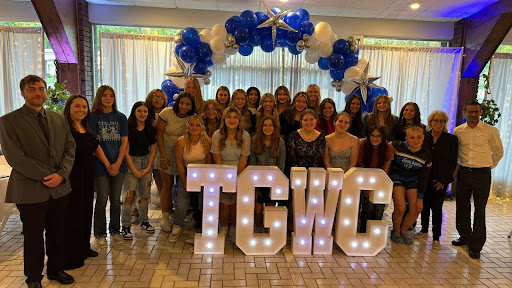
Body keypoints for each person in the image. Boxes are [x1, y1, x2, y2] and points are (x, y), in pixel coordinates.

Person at [0, 75, 76, 286]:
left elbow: (70, 148)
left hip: (59, 187)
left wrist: (61, 174)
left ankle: (55, 270)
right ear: (22, 92)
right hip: (30, 188)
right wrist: (46, 176)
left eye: (41, 88)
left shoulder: (58, 118)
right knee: (33, 237)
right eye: (32, 89)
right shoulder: (8, 121)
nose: (37, 93)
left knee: (57, 233)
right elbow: (15, 157)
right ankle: (33, 278)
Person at [62, 95, 109, 270]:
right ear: (69, 108)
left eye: (84, 107)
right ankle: (70, 256)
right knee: (72, 215)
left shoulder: (86, 126)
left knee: (85, 211)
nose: (81, 110)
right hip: (71, 177)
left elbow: (95, 147)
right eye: (77, 106)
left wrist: (107, 164)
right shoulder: (64, 128)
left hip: (87, 176)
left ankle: (83, 248)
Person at [452, 101, 503, 259]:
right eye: (470, 112)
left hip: (482, 174)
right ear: (464, 112)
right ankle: (465, 236)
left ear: (481, 113)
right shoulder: (458, 131)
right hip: (464, 172)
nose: (473, 114)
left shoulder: (490, 130)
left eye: (476, 112)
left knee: (480, 209)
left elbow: (498, 151)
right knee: (462, 206)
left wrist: (489, 165)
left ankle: (476, 245)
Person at [90, 85, 129, 247]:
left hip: (118, 164)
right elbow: (94, 144)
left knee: (115, 200)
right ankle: (99, 233)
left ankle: (115, 230)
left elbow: (124, 141)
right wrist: (107, 164)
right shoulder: (93, 117)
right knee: (101, 200)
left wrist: (118, 163)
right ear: (99, 98)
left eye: (111, 95)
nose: (108, 98)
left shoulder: (120, 117)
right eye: (105, 95)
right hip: (100, 165)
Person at [416, 110, 458, 249]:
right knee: (424, 206)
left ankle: (436, 238)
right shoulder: (424, 137)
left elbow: (452, 162)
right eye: (435, 120)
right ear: (430, 122)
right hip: (423, 178)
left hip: (440, 180)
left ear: (445, 123)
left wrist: (444, 181)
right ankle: (423, 230)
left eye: (441, 121)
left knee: (437, 209)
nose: (438, 123)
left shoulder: (451, 139)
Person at [156, 92, 196, 232]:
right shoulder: (167, 112)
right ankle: (165, 217)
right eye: (182, 103)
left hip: (182, 154)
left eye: (188, 104)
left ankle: (179, 216)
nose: (184, 106)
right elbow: (159, 134)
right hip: (165, 152)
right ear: (178, 102)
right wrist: (163, 156)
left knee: (182, 187)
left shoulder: (192, 118)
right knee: (167, 186)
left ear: (191, 106)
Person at [170, 115, 212, 242]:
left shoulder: (207, 141)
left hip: (203, 172)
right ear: (187, 127)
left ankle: (202, 225)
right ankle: (177, 225)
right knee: (182, 202)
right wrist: (185, 181)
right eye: (192, 125)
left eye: (197, 125)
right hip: (186, 171)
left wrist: (206, 180)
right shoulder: (181, 141)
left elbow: (209, 162)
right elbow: (179, 163)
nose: (194, 127)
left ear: (202, 127)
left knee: (203, 201)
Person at [211, 106, 251, 238]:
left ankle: (234, 228)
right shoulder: (217, 135)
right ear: (224, 119)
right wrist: (225, 179)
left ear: (239, 120)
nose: (232, 120)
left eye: (235, 117)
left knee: (235, 204)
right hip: (222, 171)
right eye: (229, 117)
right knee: (224, 204)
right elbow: (217, 159)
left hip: (240, 172)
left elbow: (244, 160)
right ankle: (223, 228)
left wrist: (234, 179)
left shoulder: (245, 136)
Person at [121, 102, 157, 240]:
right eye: (139, 111)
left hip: (146, 162)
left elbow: (153, 149)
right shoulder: (128, 128)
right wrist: (134, 169)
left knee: (145, 194)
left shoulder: (151, 129)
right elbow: (126, 151)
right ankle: (125, 225)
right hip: (131, 163)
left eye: (145, 111)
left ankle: (144, 221)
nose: (142, 114)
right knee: (129, 195)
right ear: (134, 112)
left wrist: (148, 167)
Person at [389, 125, 431, 245]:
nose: (416, 140)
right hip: (397, 178)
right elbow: (383, 144)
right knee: (400, 207)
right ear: (406, 138)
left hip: (413, 180)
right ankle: (395, 231)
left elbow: (424, 177)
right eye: (412, 137)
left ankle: (403, 231)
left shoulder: (426, 155)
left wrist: (420, 198)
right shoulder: (397, 146)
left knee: (416, 209)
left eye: (419, 137)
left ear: (423, 138)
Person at [250, 116, 286, 230]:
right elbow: (252, 165)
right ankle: (258, 229)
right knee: (258, 210)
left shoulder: (280, 143)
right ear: (261, 127)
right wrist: (256, 188)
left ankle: (268, 230)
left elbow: (281, 166)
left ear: (275, 128)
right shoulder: (254, 141)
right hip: (258, 182)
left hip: (274, 182)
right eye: (265, 125)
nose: (268, 128)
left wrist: (275, 186)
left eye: (271, 125)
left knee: (270, 209)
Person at [357, 126, 394, 233]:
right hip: (365, 181)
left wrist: (377, 187)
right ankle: (363, 232)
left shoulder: (388, 148)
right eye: (373, 135)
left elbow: (385, 170)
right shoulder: (363, 146)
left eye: (378, 136)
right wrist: (367, 188)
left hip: (381, 181)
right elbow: (362, 166)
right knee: (366, 209)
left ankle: (375, 235)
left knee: (378, 210)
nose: (375, 138)